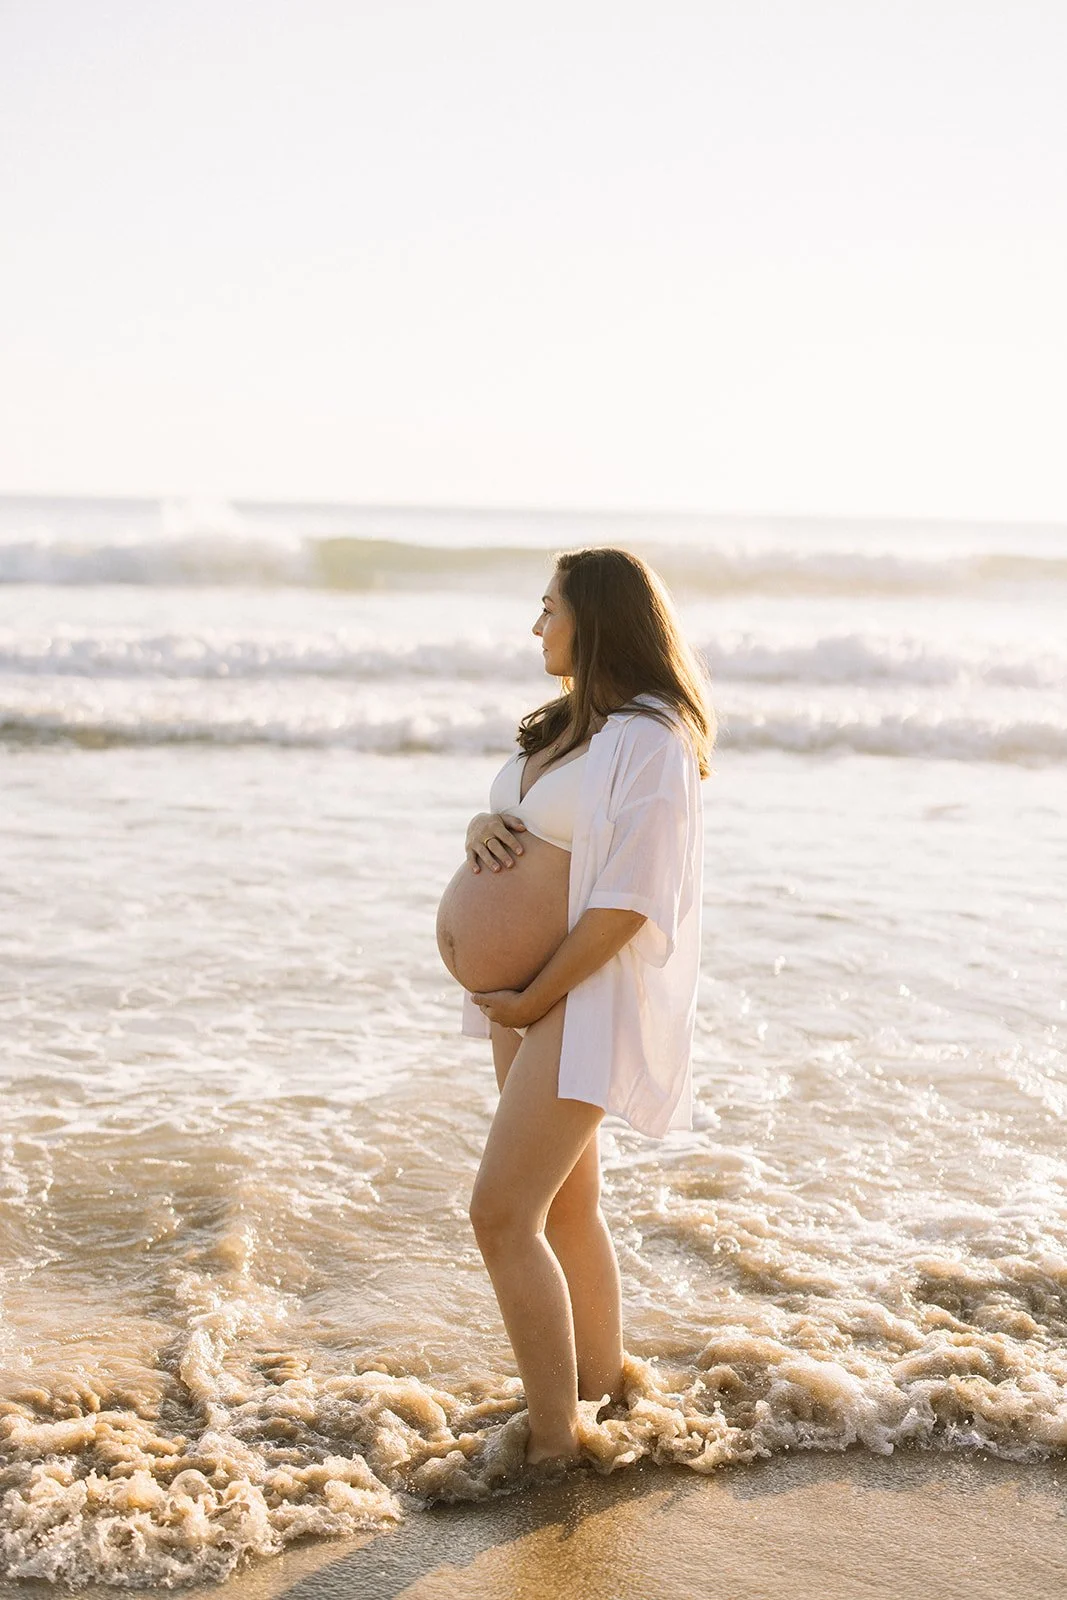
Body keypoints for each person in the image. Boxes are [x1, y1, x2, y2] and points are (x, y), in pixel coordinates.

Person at [454, 547, 713, 1468]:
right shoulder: (573, 725)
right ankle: (602, 1387)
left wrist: (534, 993)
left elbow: (629, 900)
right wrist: (482, 826)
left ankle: (557, 1445)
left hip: (579, 996)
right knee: (566, 1207)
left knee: (500, 1216)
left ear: (596, 619)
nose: (535, 627)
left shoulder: (651, 740)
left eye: (548, 608)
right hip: (528, 1000)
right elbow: (536, 834)